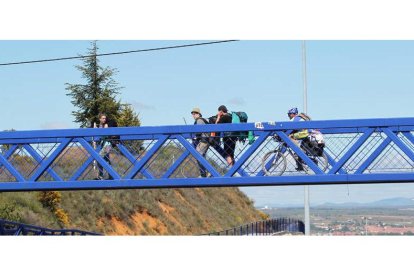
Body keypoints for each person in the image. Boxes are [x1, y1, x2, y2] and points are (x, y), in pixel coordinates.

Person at [94, 113, 116, 180]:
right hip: (104, 145)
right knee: (106, 160)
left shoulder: (106, 125)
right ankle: (110, 176)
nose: (104, 119)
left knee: (99, 158)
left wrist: (96, 130)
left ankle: (101, 176)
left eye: (105, 118)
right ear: (100, 119)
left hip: (108, 144)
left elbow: (104, 135)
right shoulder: (101, 125)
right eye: (103, 118)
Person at [191, 108, 210, 177]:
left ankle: (204, 173)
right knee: (202, 156)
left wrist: (195, 136)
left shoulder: (199, 120)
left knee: (198, 154)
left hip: (204, 140)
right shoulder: (203, 120)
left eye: (195, 114)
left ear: (199, 114)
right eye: (192, 114)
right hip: (206, 140)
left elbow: (199, 131)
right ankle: (205, 173)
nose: (193, 115)